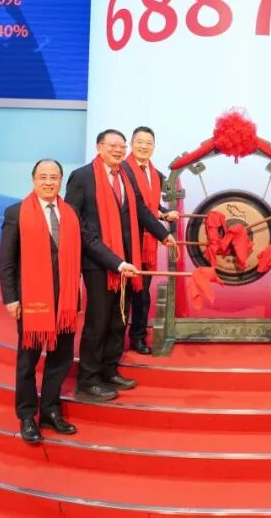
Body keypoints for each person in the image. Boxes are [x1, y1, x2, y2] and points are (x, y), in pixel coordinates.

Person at [65, 129, 175, 402]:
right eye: (112, 145)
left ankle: (109, 370)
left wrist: (163, 235)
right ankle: (88, 381)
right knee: (98, 322)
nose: (118, 150)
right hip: (98, 263)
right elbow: (77, 226)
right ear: (99, 147)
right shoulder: (82, 177)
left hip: (126, 260)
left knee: (118, 319)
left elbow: (141, 210)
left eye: (121, 146)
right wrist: (114, 261)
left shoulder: (125, 174)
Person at [0, 159, 80, 443]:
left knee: (61, 359)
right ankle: (26, 415)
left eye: (54, 177)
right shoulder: (16, 213)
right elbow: (6, 261)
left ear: (61, 181)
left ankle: (50, 411)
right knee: (28, 361)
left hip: (65, 299)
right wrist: (11, 298)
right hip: (32, 300)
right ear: (33, 180)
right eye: (43, 177)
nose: (48, 182)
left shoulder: (70, 214)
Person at [121, 126, 179, 355]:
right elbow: (137, 206)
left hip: (147, 243)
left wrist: (164, 213)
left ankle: (138, 337)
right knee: (125, 295)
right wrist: (162, 233)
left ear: (154, 147)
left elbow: (150, 205)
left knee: (142, 294)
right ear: (131, 144)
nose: (144, 146)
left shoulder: (154, 173)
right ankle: (116, 342)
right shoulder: (123, 170)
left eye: (148, 143)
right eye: (140, 142)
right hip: (127, 241)